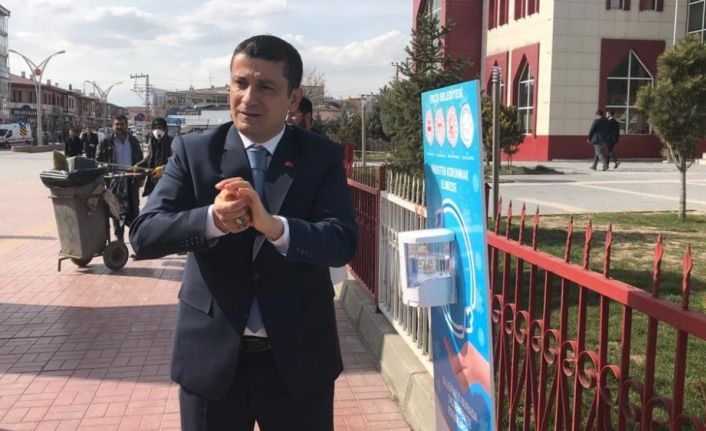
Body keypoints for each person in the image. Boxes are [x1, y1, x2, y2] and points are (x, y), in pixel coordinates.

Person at [129, 35, 356, 430]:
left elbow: (341, 242)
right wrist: (211, 220)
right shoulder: (194, 152)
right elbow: (144, 235)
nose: (249, 98)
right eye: (240, 83)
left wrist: (276, 228)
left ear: (293, 98)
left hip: (299, 362)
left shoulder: (320, 156)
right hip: (211, 362)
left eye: (266, 86)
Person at [96, 115, 144, 226]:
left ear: (126, 125)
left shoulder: (133, 141)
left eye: (122, 124)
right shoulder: (105, 142)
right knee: (116, 211)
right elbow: (97, 161)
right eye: (116, 124)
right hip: (114, 181)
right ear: (113, 125)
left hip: (132, 180)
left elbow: (140, 160)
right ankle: (119, 235)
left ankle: (134, 232)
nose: (119, 127)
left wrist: (141, 177)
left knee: (134, 210)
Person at [136, 117, 173, 196]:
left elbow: (176, 162)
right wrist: (137, 166)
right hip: (152, 182)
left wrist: (164, 168)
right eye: (155, 128)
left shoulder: (172, 142)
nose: (157, 130)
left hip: (167, 182)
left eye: (159, 128)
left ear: (165, 129)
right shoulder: (152, 142)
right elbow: (148, 159)